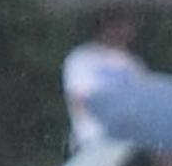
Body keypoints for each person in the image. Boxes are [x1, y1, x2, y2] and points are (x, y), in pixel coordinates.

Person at [62, 12, 146, 151]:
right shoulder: (81, 58)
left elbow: (145, 101)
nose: (125, 31)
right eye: (119, 25)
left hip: (131, 140)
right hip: (93, 139)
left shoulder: (133, 63)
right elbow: (78, 100)